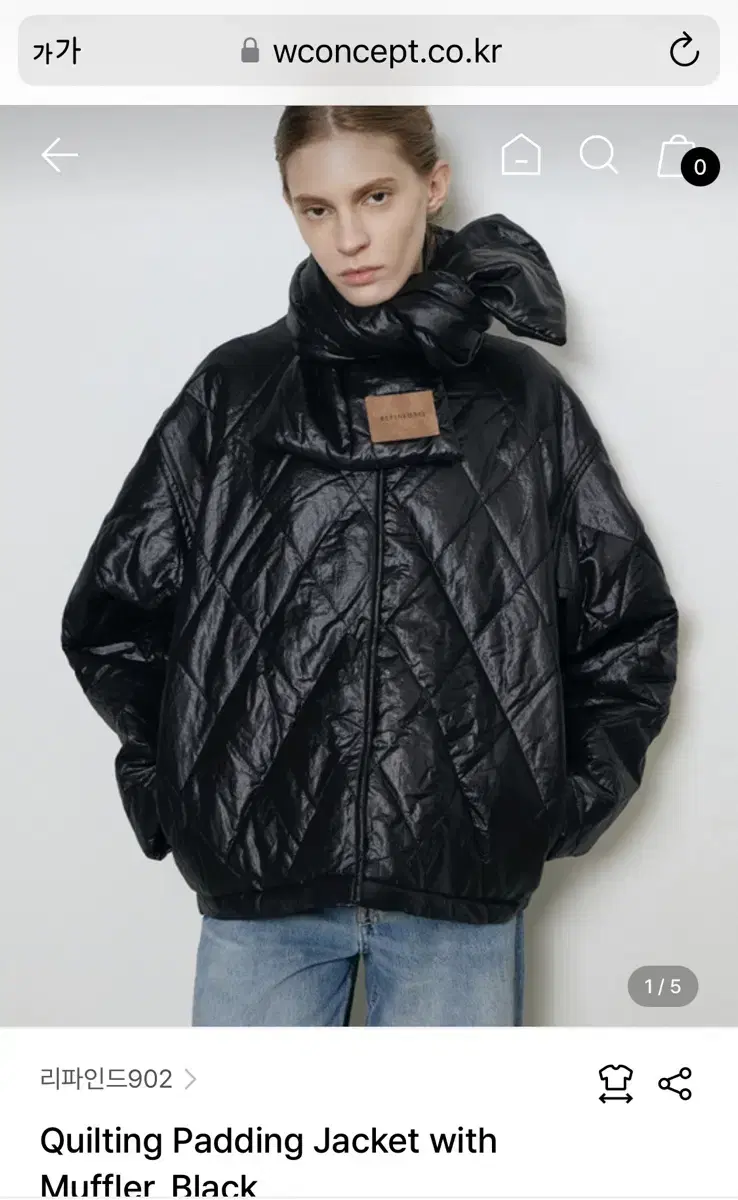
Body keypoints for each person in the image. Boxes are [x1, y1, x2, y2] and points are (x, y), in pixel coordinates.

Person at [60, 105, 679, 1027]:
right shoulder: (234, 391)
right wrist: (181, 791)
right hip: (259, 888)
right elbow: (113, 616)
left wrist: (544, 806)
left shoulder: (522, 399)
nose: (348, 238)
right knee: (241, 1130)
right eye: (316, 209)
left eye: (375, 196)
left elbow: (628, 624)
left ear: (433, 187)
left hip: (459, 893)